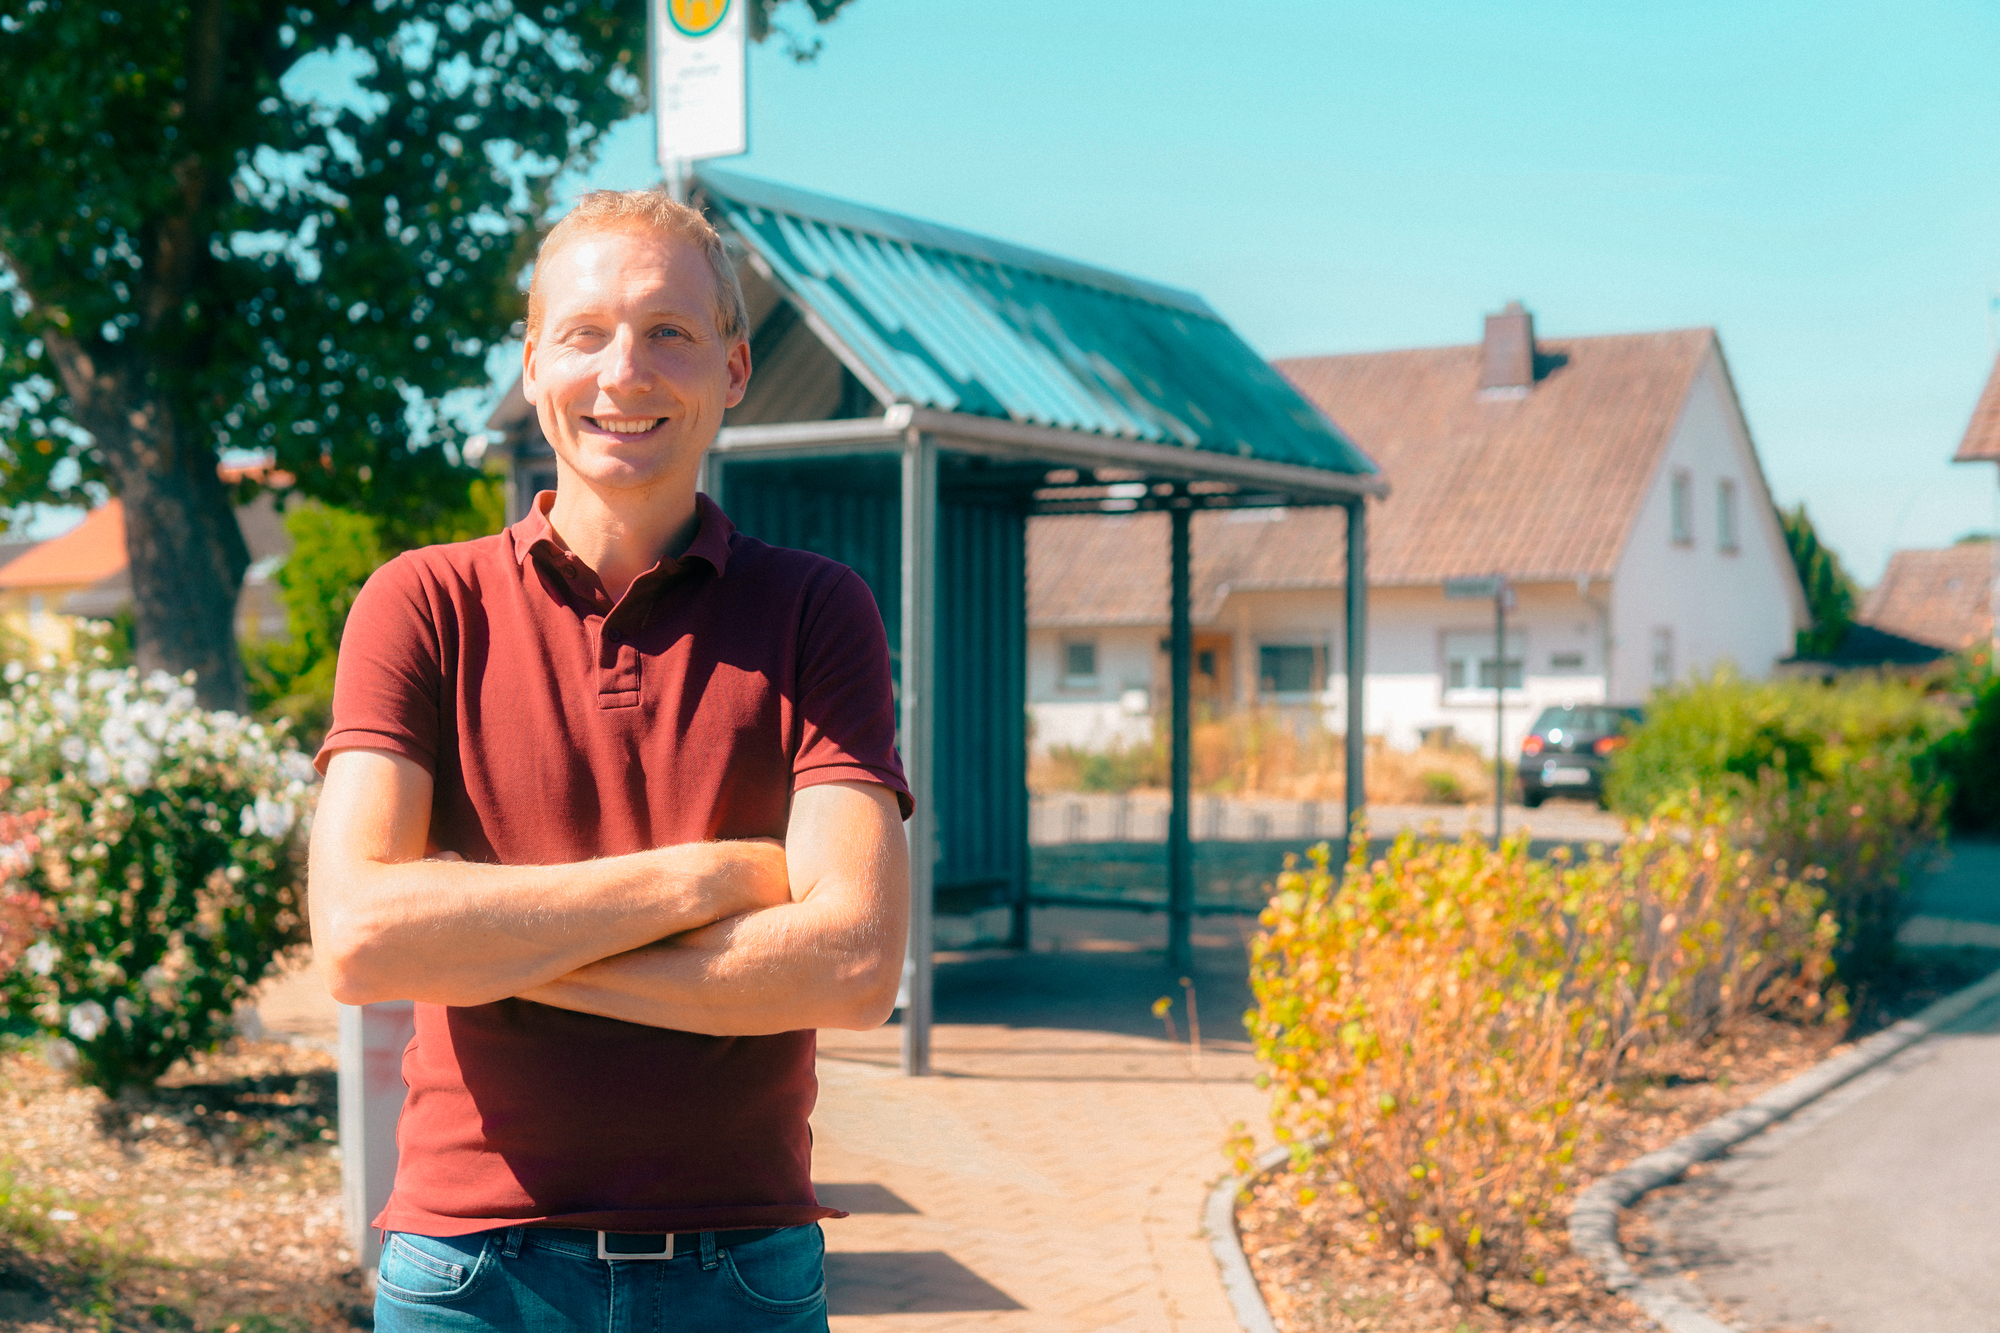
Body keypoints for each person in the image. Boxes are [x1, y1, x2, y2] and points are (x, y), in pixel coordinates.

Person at [308, 187, 912, 1333]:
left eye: (668, 333)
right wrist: (713, 881)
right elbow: (358, 936)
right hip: (470, 1274)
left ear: (733, 369)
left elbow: (849, 967)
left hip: (740, 1271)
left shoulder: (816, 612)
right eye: (583, 333)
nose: (623, 371)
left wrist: (485, 948)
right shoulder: (421, 604)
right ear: (533, 364)